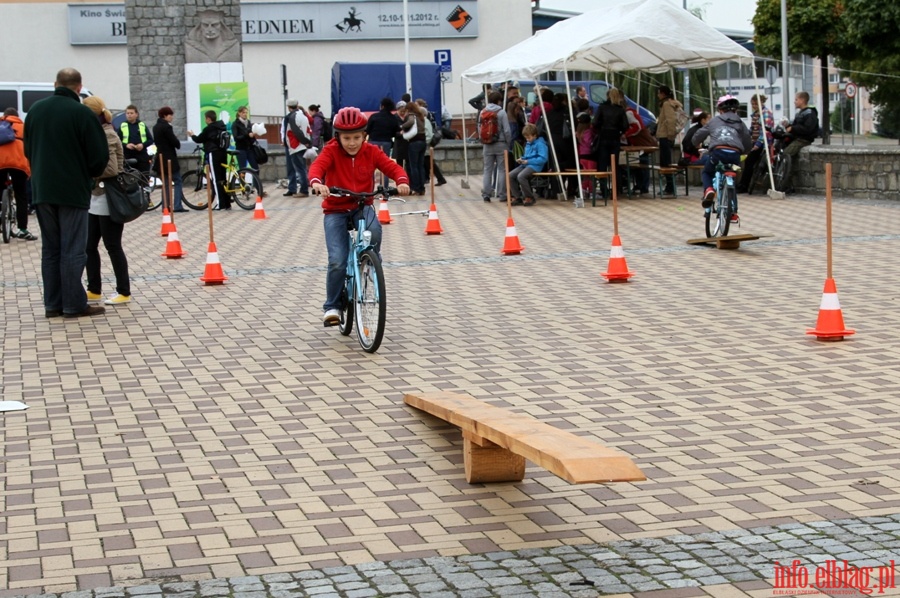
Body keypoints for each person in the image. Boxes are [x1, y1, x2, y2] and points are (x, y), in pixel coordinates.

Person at [308, 107, 410, 325]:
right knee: (337, 260)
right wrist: (317, 183)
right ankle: (332, 306)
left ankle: (370, 259)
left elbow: (391, 167)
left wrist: (401, 181)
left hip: (361, 205)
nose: (352, 142)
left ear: (365, 135)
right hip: (335, 209)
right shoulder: (331, 151)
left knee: (373, 230)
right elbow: (317, 167)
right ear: (338, 137)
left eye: (356, 137)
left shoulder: (371, 151)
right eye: (346, 138)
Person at [24, 67, 109, 318]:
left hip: (42, 190)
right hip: (72, 191)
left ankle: (53, 304)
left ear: (55, 84)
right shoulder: (81, 114)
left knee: (51, 249)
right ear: (79, 87)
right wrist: (87, 175)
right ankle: (73, 304)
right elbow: (98, 156)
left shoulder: (35, 111)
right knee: (73, 248)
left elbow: (28, 149)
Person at [83, 96, 131, 306]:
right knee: (89, 245)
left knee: (113, 245)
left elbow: (110, 168)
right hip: (96, 197)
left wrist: (88, 173)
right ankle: (94, 288)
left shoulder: (108, 134)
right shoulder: (97, 133)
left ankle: (124, 291)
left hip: (108, 197)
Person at [692, 95, 752, 216]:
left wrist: (695, 143)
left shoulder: (714, 120)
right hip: (735, 154)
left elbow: (699, 134)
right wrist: (745, 151)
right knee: (731, 178)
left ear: (720, 110)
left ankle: (709, 190)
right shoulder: (740, 122)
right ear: (735, 110)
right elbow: (747, 140)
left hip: (717, 153)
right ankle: (733, 212)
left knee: (707, 172)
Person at [0, 108, 37, 240]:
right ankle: (23, 229)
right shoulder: (23, 127)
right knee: (21, 195)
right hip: (19, 164)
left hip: (0, 163)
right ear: (17, 117)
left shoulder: (0, 125)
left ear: (4, 116)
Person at [188, 110, 231, 210]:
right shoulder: (221, 126)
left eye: (205, 118)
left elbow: (199, 139)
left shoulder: (209, 129)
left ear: (208, 119)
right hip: (223, 153)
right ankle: (227, 203)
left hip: (213, 154)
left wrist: (192, 135)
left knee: (216, 179)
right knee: (223, 178)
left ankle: (220, 204)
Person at [780, 91, 819, 194]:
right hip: (796, 138)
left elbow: (807, 129)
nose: (794, 102)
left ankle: (786, 184)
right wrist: (788, 126)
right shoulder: (800, 113)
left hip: (803, 140)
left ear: (802, 100)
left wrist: (792, 128)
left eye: (796, 99)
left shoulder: (810, 113)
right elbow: (796, 126)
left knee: (786, 155)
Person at [152, 106, 187, 212]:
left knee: (166, 183)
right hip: (169, 159)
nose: (172, 117)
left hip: (160, 158)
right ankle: (177, 205)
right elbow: (174, 141)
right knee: (178, 181)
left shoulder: (156, 127)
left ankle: (165, 206)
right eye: (170, 115)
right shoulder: (166, 127)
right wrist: (177, 141)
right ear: (165, 116)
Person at [591, 88, 628, 188]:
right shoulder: (620, 110)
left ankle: (603, 189)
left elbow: (594, 122)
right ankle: (616, 189)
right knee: (615, 165)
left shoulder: (602, 107)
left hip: (603, 137)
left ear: (607, 96)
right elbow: (625, 125)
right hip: (615, 138)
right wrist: (619, 131)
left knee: (602, 164)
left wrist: (600, 128)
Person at [737, 95, 774, 193]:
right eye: (752, 104)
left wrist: (758, 143)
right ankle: (743, 184)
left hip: (763, 142)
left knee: (749, 161)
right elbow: (752, 129)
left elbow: (765, 131)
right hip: (754, 141)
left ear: (761, 102)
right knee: (746, 160)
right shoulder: (756, 114)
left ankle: (744, 185)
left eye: (755, 104)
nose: (754, 106)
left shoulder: (765, 113)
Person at [478, 90, 511, 202]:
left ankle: (486, 194)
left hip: (487, 144)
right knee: (502, 169)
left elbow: (480, 128)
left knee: (487, 170)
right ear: (498, 101)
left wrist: (483, 140)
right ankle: (502, 194)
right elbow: (507, 130)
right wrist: (508, 142)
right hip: (501, 143)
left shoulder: (483, 111)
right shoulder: (501, 112)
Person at [508, 124, 548, 207]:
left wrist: (528, 161)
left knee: (521, 176)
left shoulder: (540, 144)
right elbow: (527, 155)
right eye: (526, 138)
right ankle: (517, 197)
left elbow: (543, 159)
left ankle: (529, 196)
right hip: (526, 164)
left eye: (529, 137)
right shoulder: (528, 143)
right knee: (510, 175)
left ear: (535, 135)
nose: (527, 139)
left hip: (536, 165)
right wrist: (521, 159)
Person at [366, 97, 401, 186]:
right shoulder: (393, 118)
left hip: (373, 142)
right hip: (386, 142)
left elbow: (367, 130)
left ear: (382, 106)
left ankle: (370, 186)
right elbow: (395, 132)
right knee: (385, 165)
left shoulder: (374, 116)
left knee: (371, 165)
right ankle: (385, 188)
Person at [656, 85, 683, 197]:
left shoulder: (667, 104)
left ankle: (670, 187)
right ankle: (669, 186)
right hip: (666, 136)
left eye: (659, 93)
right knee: (666, 162)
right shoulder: (670, 103)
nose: (658, 95)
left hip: (665, 136)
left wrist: (670, 135)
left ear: (663, 93)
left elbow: (670, 120)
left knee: (665, 163)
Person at [231, 105, 264, 197]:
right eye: (243, 112)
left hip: (249, 148)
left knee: (255, 168)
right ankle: (243, 189)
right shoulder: (235, 124)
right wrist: (247, 135)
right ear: (239, 113)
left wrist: (254, 135)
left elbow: (250, 133)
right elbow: (236, 137)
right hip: (241, 149)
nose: (245, 114)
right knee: (242, 170)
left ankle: (258, 188)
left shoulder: (248, 122)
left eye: (246, 112)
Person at [285, 104, 313, 198]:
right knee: (302, 169)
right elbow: (309, 131)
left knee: (300, 169)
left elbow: (296, 132)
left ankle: (304, 190)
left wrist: (305, 141)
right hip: (301, 146)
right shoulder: (304, 117)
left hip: (296, 146)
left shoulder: (293, 117)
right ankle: (304, 189)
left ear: (289, 107)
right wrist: (308, 142)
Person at [417, 99, 447, 186]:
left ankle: (440, 178)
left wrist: (424, 142)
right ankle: (438, 178)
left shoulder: (425, 121)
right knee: (428, 163)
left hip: (426, 145)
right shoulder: (424, 121)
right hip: (426, 145)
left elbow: (428, 135)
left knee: (429, 163)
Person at [118, 104, 154, 176]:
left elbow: (151, 140)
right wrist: (126, 145)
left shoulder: (142, 125)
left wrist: (142, 145)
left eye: (131, 113)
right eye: (127, 113)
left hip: (142, 155)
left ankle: (144, 186)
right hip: (128, 155)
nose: (129, 115)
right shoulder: (123, 125)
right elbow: (118, 141)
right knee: (130, 176)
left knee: (144, 176)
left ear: (136, 114)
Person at [404, 100, 428, 195]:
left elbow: (409, 122)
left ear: (409, 109)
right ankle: (422, 188)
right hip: (423, 142)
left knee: (414, 166)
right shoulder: (420, 116)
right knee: (420, 165)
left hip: (414, 142)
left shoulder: (411, 115)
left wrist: (402, 126)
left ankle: (416, 187)